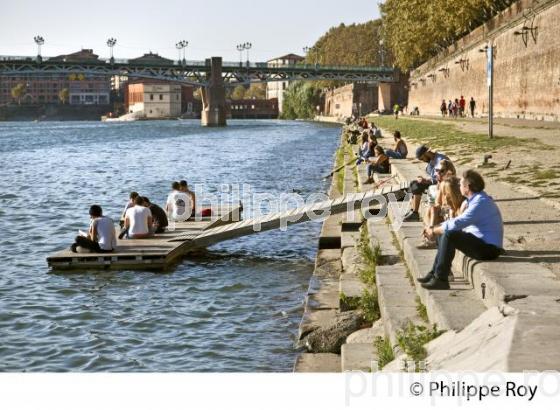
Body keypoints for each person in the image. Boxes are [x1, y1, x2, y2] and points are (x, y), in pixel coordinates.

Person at [417, 170, 504, 290]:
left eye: (460, 184)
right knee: (444, 232)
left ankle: (441, 279)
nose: (459, 186)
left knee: (449, 235)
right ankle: (434, 273)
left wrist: (433, 230)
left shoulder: (480, 202)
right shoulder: (476, 199)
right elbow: (455, 222)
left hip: (488, 249)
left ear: (467, 187)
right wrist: (435, 228)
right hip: (482, 244)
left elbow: (458, 223)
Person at [403, 145, 450, 222]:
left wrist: (427, 181)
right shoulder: (431, 161)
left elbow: (443, 177)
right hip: (436, 182)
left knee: (417, 185)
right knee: (413, 183)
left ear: (426, 153)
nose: (423, 160)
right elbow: (433, 176)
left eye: (422, 158)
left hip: (444, 183)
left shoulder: (441, 159)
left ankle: (415, 213)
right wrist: (424, 179)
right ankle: (412, 210)